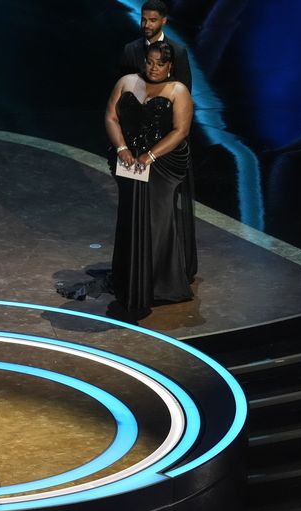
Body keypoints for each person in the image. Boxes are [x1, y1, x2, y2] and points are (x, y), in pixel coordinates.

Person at [105, 40, 197, 319]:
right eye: (149, 62)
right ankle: (130, 278)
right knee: (130, 217)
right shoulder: (126, 82)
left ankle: (160, 283)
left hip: (161, 166)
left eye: (160, 64)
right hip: (129, 163)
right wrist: (121, 148)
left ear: (170, 66)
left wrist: (151, 155)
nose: (153, 68)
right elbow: (111, 117)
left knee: (158, 221)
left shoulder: (178, 90)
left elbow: (181, 131)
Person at [120, 0, 192, 92]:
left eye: (153, 20)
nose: (146, 25)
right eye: (144, 20)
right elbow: (122, 86)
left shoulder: (178, 52)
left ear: (164, 21)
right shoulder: (130, 49)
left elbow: (185, 92)